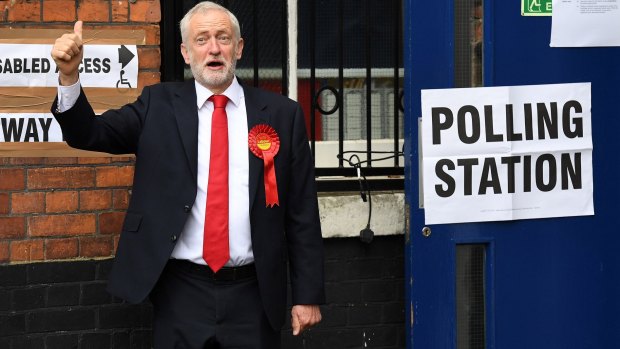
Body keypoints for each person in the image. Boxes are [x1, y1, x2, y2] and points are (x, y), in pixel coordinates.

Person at [50, 2, 325, 348]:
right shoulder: (157, 105)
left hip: (254, 294)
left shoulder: (283, 115)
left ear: (239, 48)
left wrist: (307, 293)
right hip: (181, 292)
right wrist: (69, 77)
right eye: (202, 39)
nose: (214, 48)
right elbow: (88, 133)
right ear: (184, 51)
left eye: (224, 38)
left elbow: (301, 211)